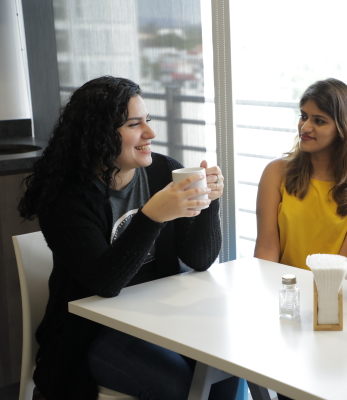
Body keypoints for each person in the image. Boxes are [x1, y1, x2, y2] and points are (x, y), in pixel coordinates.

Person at [18, 76, 238, 400]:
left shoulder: (164, 172)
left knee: (227, 371)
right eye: (135, 124)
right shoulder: (66, 199)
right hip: (93, 334)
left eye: (147, 120)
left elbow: (200, 259)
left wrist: (208, 200)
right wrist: (153, 216)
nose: (150, 133)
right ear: (99, 134)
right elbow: (105, 283)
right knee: (179, 387)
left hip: (161, 318)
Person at [254, 78, 347, 279]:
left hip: (340, 290)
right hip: (287, 289)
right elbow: (266, 248)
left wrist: (319, 301)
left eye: (319, 121)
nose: (305, 127)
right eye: (303, 116)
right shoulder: (275, 173)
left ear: (342, 129)